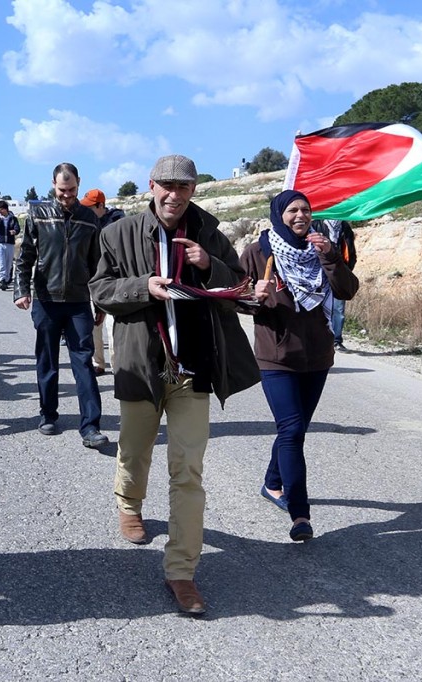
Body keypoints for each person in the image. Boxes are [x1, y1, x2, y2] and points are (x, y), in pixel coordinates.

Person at [88, 154, 259, 615]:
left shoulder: (209, 233)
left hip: (193, 369)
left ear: (193, 191)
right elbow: (100, 290)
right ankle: (129, 502)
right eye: (165, 185)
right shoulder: (117, 233)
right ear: (151, 186)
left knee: (188, 470)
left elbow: (241, 289)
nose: (173, 194)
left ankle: (182, 571)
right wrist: (144, 286)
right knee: (136, 447)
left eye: (182, 187)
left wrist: (210, 268)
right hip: (142, 363)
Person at [241, 190, 359, 542]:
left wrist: (330, 257)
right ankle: (299, 514)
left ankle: (273, 482)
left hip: (318, 357)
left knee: (295, 430)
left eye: (305, 210)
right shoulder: (259, 251)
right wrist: (252, 298)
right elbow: (233, 297)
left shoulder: (321, 248)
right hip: (276, 357)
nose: (300, 216)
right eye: (292, 210)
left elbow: (347, 291)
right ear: (279, 214)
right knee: (291, 430)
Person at [14, 163, 107, 449]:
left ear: (79, 183)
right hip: (46, 300)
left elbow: (97, 264)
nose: (66, 196)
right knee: (47, 361)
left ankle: (90, 426)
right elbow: (26, 256)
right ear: (53, 185)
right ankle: (48, 414)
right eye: (62, 190)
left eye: (72, 190)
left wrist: (101, 300)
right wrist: (21, 290)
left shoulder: (90, 219)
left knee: (84, 363)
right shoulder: (38, 215)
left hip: (79, 301)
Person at [79, 189, 125, 375]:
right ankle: (98, 362)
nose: (87, 210)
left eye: (90, 207)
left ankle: (117, 365)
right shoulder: (87, 222)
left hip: (115, 280)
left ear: (100, 206)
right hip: (94, 279)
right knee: (93, 323)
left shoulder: (120, 224)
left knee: (112, 324)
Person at [313, 218, 357, 350]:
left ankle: (336, 340)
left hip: (339, 273)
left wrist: (347, 270)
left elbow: (350, 250)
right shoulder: (317, 225)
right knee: (318, 307)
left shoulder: (344, 227)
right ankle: (319, 338)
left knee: (338, 309)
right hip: (320, 274)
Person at [0, 200, 19, 290]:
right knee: (1, 263)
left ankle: (7, 279)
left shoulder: (13, 218)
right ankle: (2, 280)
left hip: (10, 243)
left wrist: (14, 231)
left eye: (1, 209)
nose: (0, 211)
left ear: (6, 209)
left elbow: (17, 228)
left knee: (9, 263)